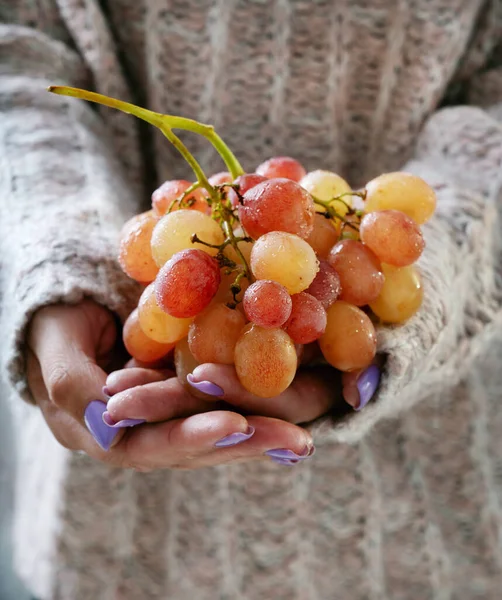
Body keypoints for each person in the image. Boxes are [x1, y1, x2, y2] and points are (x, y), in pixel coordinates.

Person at [1, 1, 501, 598]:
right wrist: (65, 253)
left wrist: (438, 273)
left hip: (437, 511)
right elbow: (19, 47)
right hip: (118, 534)